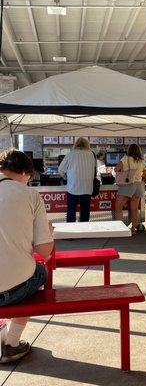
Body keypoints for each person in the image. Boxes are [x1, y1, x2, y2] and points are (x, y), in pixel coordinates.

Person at [0, 149, 54, 363]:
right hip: (14, 289)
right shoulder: (30, 195)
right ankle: (12, 344)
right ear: (24, 172)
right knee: (39, 272)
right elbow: (44, 251)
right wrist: (48, 233)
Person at [58, 137, 96, 222]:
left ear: (76, 144)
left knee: (71, 210)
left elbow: (60, 170)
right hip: (87, 187)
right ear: (87, 144)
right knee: (85, 211)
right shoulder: (91, 154)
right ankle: (83, 232)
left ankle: (71, 231)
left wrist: (66, 178)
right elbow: (94, 170)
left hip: (73, 187)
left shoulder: (71, 154)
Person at [115, 144, 146, 235]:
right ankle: (133, 229)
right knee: (134, 209)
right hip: (138, 186)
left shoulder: (125, 159)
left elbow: (116, 168)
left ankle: (120, 230)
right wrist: (142, 182)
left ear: (129, 150)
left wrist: (122, 172)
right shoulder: (142, 161)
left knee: (118, 207)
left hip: (128, 185)